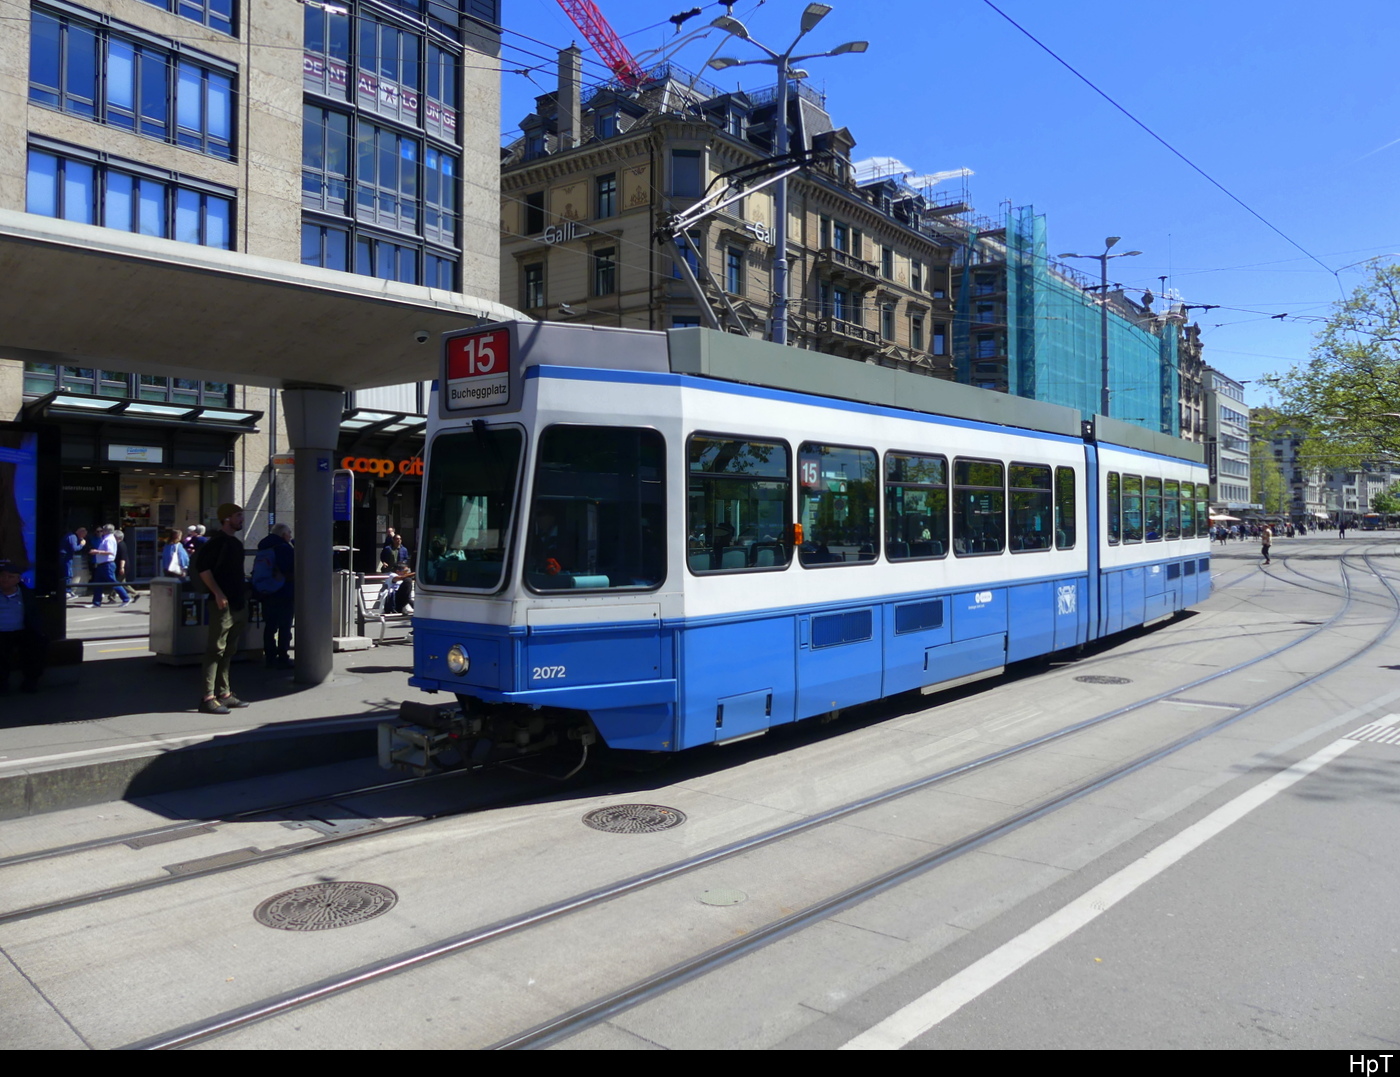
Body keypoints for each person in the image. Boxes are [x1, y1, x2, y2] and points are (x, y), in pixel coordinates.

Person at [195, 503, 249, 715]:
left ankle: (224, 694)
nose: (241, 519)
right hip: (223, 603)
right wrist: (217, 593)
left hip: (235, 602)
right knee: (216, 649)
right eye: (238, 515)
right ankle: (208, 698)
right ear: (227, 518)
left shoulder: (234, 542)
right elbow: (203, 569)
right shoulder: (216, 542)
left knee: (228, 650)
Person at [0, 561, 46, 694]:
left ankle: (30, 682)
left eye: (10, 576)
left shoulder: (26, 594)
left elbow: (34, 616)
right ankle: (2, 684)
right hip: (1, 632)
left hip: (22, 631)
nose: (5, 579)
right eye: (2, 575)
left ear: (18, 579)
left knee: (37, 644)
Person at [255, 523, 295, 669]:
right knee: (285, 626)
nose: (290, 536)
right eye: (289, 533)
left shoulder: (264, 546)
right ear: (283, 534)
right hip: (284, 591)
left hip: (266, 592)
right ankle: (283, 656)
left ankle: (270, 656)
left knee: (270, 626)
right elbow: (291, 568)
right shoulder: (284, 548)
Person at [89, 525, 127, 607]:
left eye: (103, 530)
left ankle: (126, 598)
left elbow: (110, 552)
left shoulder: (109, 539)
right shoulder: (107, 538)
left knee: (113, 582)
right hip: (102, 564)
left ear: (106, 531)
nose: (102, 531)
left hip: (107, 564)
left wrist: (97, 552)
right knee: (97, 583)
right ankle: (96, 602)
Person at [61, 527, 87, 598]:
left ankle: (68, 590)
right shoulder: (72, 537)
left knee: (68, 573)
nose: (84, 537)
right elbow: (75, 548)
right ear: (80, 532)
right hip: (66, 557)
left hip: (66, 557)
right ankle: (67, 591)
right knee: (68, 574)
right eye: (84, 535)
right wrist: (82, 544)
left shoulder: (71, 535)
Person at [112, 529, 134, 604]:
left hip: (123, 566)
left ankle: (111, 596)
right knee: (123, 583)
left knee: (116, 582)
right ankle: (135, 594)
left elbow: (122, 558)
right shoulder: (121, 544)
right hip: (123, 565)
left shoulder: (120, 545)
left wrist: (122, 567)